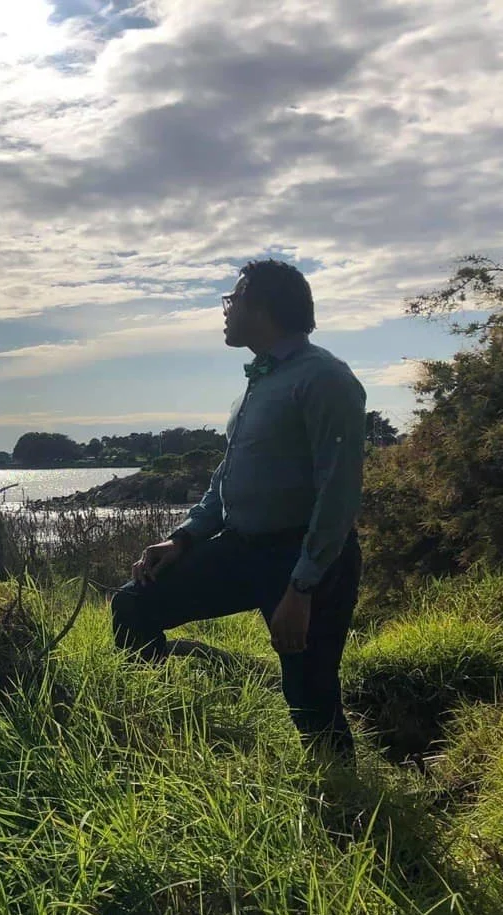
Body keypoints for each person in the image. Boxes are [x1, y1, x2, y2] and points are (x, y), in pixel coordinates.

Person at [111, 258, 366, 764]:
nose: (226, 310)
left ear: (264, 306)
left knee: (310, 697)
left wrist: (301, 588)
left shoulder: (325, 380)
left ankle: (346, 806)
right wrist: (183, 538)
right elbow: (225, 480)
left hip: (305, 561)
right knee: (135, 604)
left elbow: (338, 494)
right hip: (242, 549)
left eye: (234, 298)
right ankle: (160, 742)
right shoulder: (261, 380)